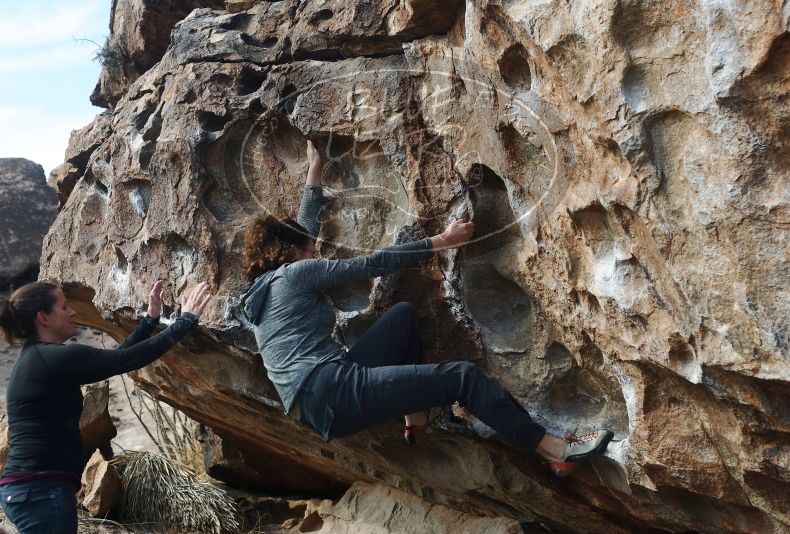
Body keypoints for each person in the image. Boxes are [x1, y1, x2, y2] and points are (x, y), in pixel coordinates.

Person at [242, 140, 612, 476]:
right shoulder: (295, 275)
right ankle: (555, 449)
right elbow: (371, 264)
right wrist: (440, 241)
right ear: (289, 254)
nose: (312, 251)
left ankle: (414, 418)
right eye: (306, 250)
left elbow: (304, 231)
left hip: (315, 400)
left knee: (401, 317)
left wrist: (314, 170)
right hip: (332, 390)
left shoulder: (264, 291)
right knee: (462, 377)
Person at [0, 280, 212, 534]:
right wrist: (185, 321)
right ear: (43, 317)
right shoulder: (52, 358)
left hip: (32, 490)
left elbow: (115, 360)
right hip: (40, 491)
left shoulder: (41, 359)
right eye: (64, 306)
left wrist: (149, 321)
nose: (73, 312)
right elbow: (127, 359)